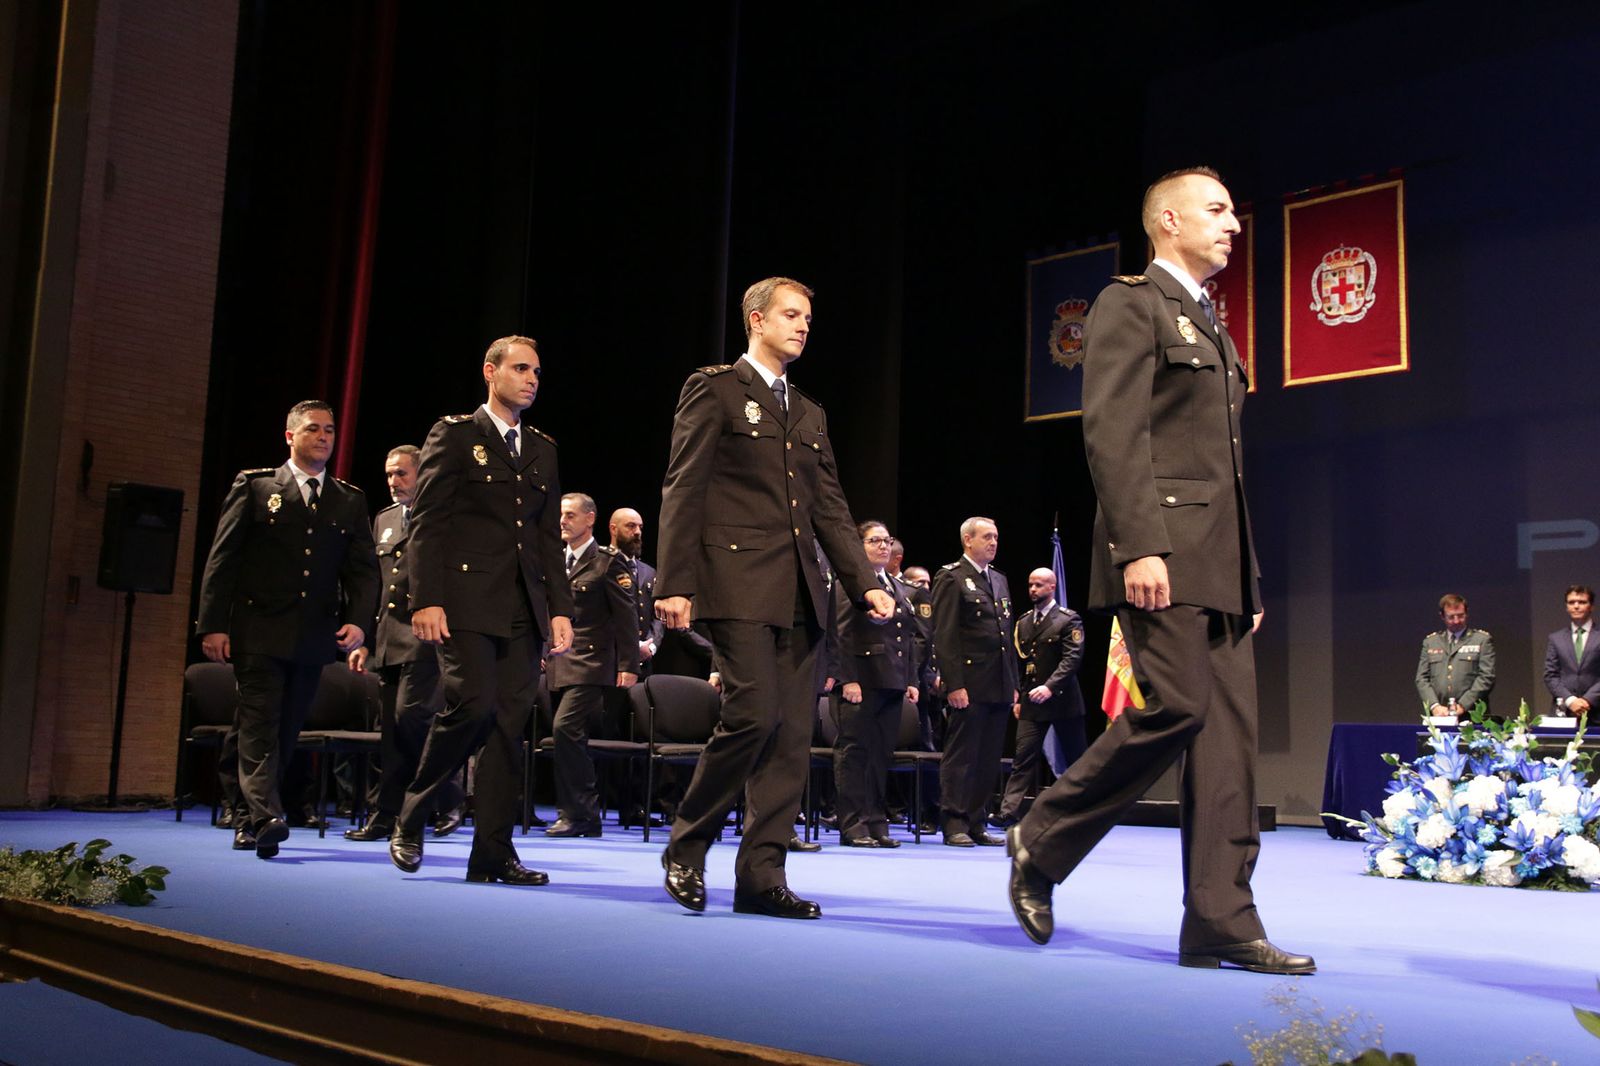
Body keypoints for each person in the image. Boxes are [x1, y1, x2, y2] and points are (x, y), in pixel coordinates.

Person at [1005, 167, 1315, 975]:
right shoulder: (1132, 302)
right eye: (1217, 211)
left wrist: (1247, 581)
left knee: (1228, 747)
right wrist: (1139, 544)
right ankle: (1042, 834)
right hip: (1163, 557)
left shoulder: (1213, 322)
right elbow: (1112, 431)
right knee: (1176, 705)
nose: (1234, 225)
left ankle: (1220, 918)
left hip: (1220, 568)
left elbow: (1230, 471)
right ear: (1167, 220)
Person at [654, 276, 893, 920]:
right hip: (735, 583)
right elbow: (684, 488)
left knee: (789, 739)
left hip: (800, 594)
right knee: (753, 717)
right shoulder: (716, 388)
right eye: (791, 315)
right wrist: (674, 582)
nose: (803, 326)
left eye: (808, 318)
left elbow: (831, 509)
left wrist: (865, 584)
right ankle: (687, 844)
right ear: (756, 320)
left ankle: (761, 878)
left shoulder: (809, 411)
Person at [388, 335, 574, 885]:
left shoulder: (542, 448)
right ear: (489, 373)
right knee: (472, 706)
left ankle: (492, 852)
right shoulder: (455, 434)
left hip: (523, 605)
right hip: (465, 601)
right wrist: (426, 599)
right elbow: (428, 524)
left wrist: (559, 609)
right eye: (520, 369)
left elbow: (546, 538)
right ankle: (413, 811)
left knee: (509, 729)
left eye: (537, 371)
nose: (531, 379)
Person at [196, 400, 378, 859]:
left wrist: (358, 621)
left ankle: (245, 816)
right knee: (259, 722)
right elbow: (223, 560)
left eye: (330, 431)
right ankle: (265, 817)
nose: (323, 437)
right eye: (314, 429)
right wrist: (213, 625)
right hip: (257, 630)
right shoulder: (256, 487)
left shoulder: (348, 499)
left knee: (285, 729)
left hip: (313, 636)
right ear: (290, 436)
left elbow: (362, 571)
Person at [344, 445, 465, 842]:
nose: (393, 483)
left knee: (411, 717)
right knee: (390, 731)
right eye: (389, 475)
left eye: (401, 474)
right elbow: (376, 584)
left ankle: (445, 795)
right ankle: (386, 815)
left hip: (428, 638)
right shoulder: (384, 520)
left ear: (422, 473)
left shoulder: (446, 514)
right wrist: (364, 637)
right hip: (388, 638)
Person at [545, 492, 639, 837]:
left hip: (591, 662)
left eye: (570, 515)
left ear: (590, 519)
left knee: (565, 729)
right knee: (569, 737)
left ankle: (579, 812)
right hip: (558, 663)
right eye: (561, 515)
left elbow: (626, 616)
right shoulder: (555, 560)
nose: (563, 521)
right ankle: (578, 813)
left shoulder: (607, 561)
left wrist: (628, 663)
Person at [831, 520, 919, 848]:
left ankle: (875, 820)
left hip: (891, 680)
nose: (883, 546)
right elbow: (839, 632)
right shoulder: (850, 583)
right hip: (861, 679)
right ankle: (853, 824)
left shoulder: (894, 586)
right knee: (854, 753)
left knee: (881, 753)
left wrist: (910, 679)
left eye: (886, 541)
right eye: (874, 541)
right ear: (859, 546)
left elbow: (907, 637)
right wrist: (847, 678)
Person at [932, 517, 1018, 847]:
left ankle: (977, 820)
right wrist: (954, 684)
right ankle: (954, 821)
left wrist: (1012, 682)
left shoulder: (998, 579)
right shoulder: (952, 577)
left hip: (997, 682)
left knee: (987, 756)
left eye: (996, 536)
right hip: (968, 682)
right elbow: (946, 635)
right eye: (987, 537)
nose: (994, 542)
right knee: (962, 756)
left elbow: (1005, 637)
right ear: (968, 540)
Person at [994, 568, 1087, 827]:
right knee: (1022, 758)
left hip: (1063, 700)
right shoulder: (1023, 622)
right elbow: (1021, 663)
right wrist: (1019, 698)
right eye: (1030, 584)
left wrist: (1050, 687)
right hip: (1033, 703)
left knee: (1076, 760)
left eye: (1039, 585)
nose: (1033, 589)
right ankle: (1008, 811)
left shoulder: (1068, 620)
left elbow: (1072, 659)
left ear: (1052, 587)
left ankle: (1081, 810)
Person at [1414, 594, 1495, 718]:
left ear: (1466, 613)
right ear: (1442, 616)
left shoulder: (1481, 640)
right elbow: (1422, 679)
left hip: (1472, 714)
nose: (1456, 621)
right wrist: (1434, 706)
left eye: (1460, 616)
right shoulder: (1431, 642)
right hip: (1439, 714)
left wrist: (1463, 705)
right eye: (1451, 617)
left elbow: (1487, 677)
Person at [1544, 585, 1599, 716]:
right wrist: (1570, 700)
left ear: (1591, 606)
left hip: (1596, 710)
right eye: (1571, 602)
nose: (1576, 606)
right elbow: (1550, 675)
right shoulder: (1556, 638)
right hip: (1565, 711)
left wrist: (1587, 700)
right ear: (1566, 607)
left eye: (1582, 602)